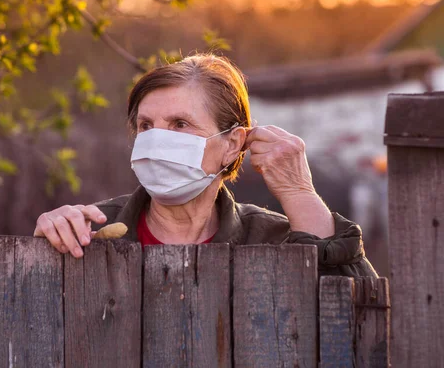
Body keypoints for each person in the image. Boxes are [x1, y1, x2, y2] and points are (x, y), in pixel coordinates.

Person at [33, 54, 377, 278]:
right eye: (146, 125)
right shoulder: (92, 232)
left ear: (230, 144)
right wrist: (43, 246)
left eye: (180, 124)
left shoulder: (274, 240)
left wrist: (298, 191)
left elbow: (360, 317)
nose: (156, 140)